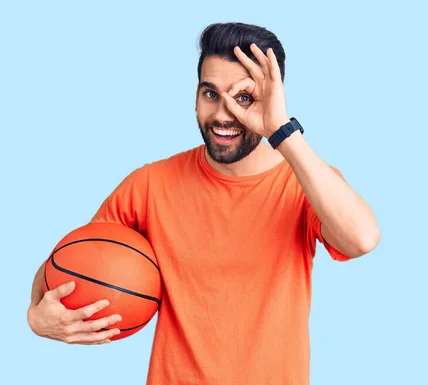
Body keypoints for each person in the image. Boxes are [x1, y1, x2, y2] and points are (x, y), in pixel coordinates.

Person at [27, 22, 380, 384]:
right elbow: (71, 259)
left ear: (272, 99)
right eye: (211, 94)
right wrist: (36, 317)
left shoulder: (306, 182)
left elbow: (361, 239)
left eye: (244, 97)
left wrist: (280, 130)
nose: (224, 115)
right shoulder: (150, 184)